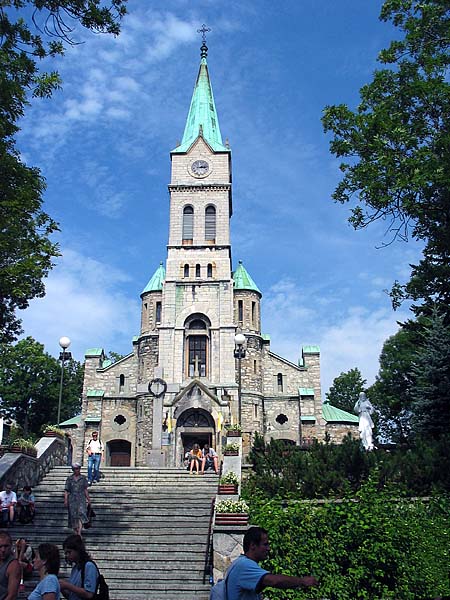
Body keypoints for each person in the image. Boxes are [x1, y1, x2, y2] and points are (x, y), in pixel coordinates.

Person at [226, 526, 318, 599]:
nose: (269, 548)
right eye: (265, 544)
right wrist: (302, 581)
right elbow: (274, 581)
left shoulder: (240, 563)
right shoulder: (244, 565)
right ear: (253, 545)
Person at [60, 534, 98, 600]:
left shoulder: (89, 566)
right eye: (65, 553)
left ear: (78, 550)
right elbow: (72, 596)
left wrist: (67, 585)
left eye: (69, 552)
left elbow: (89, 594)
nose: (67, 555)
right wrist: (62, 588)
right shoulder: (75, 568)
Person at [64, 464, 90, 536]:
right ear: (73, 470)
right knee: (73, 516)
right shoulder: (69, 479)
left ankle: (79, 532)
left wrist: (88, 499)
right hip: (72, 499)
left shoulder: (83, 478)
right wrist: (65, 500)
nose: (77, 470)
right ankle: (76, 532)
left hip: (81, 499)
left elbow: (85, 489)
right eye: (75, 469)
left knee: (81, 513)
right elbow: (66, 490)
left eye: (78, 468)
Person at [0, 531, 20, 600]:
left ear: (11, 545)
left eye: (6, 546)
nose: (3, 550)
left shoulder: (13, 565)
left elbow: (12, 595)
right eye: (0, 546)